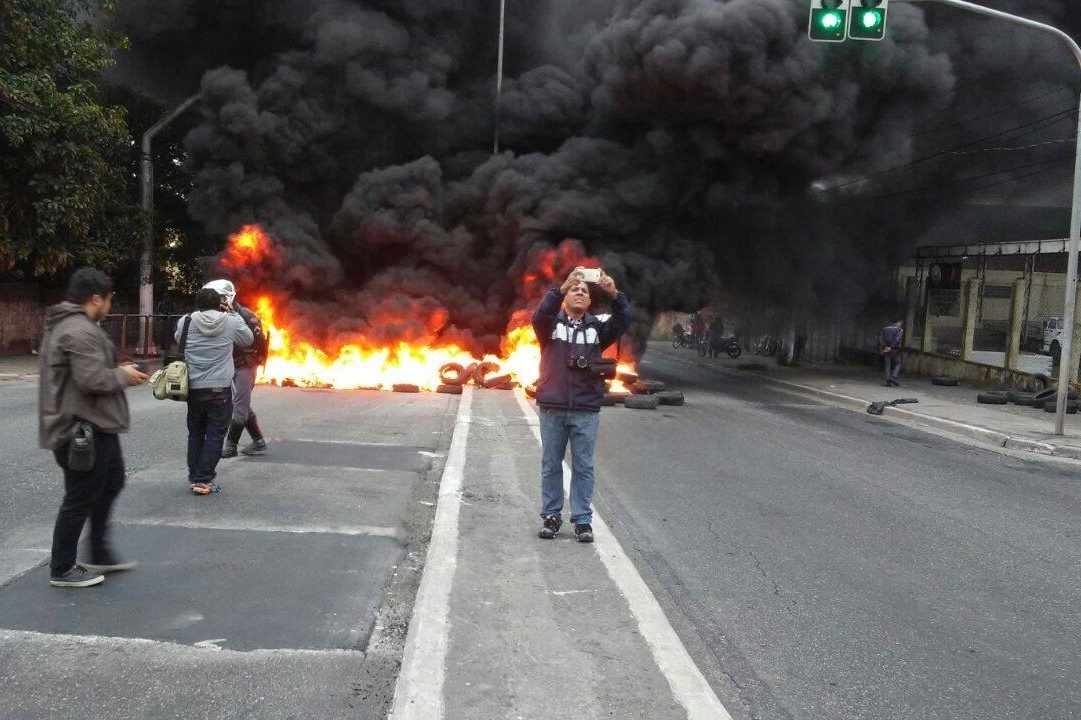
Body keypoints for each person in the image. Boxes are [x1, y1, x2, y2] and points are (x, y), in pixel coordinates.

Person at [39, 268, 148, 588]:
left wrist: (119, 370)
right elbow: (91, 379)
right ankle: (61, 567)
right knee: (79, 496)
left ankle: (98, 551)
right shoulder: (78, 330)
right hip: (81, 429)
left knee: (111, 481)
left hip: (96, 424)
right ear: (96, 298)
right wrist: (124, 375)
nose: (111, 305)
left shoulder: (79, 326)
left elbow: (89, 371)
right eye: (110, 298)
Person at [531, 266, 632, 543]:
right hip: (553, 406)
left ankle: (582, 521)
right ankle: (551, 517)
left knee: (584, 466)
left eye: (584, 291)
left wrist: (614, 294)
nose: (579, 292)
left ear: (589, 302)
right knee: (551, 464)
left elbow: (624, 319)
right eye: (574, 289)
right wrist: (561, 287)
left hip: (586, 409)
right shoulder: (550, 326)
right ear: (566, 297)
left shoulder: (599, 329)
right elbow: (539, 315)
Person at [178, 287, 253, 495]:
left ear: (197, 304)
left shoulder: (185, 321)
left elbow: (179, 340)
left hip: (193, 387)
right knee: (215, 434)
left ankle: (195, 477)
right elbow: (248, 339)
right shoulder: (230, 321)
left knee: (196, 432)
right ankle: (203, 480)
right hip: (220, 388)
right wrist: (233, 313)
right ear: (219, 304)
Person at [202, 280, 269, 458]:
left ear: (228, 297)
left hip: (246, 365)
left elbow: (260, 343)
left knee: (239, 404)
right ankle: (259, 441)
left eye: (218, 298)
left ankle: (231, 446)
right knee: (241, 404)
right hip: (229, 365)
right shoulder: (219, 316)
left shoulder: (247, 316)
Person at [880, 319, 904, 386]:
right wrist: (891, 347)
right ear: (897, 323)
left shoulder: (884, 329)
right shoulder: (899, 330)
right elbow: (897, 339)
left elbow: (881, 339)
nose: (900, 324)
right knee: (898, 363)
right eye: (900, 323)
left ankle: (888, 381)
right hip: (894, 349)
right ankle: (893, 377)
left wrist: (885, 346)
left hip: (886, 349)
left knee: (887, 365)